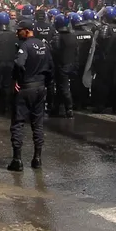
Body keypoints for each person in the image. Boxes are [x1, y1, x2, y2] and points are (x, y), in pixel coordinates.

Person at [8, 18, 53, 172]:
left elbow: (19, 63)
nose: (16, 32)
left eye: (19, 29)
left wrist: (18, 79)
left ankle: (17, 160)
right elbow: (50, 67)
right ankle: (37, 158)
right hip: (40, 87)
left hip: (25, 87)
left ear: (26, 30)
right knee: (38, 123)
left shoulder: (25, 46)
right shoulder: (44, 45)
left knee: (18, 123)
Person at [49, 14, 79, 118]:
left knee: (64, 88)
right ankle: (57, 108)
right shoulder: (73, 35)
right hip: (72, 64)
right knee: (62, 87)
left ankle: (69, 109)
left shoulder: (58, 37)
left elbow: (54, 52)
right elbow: (76, 51)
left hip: (62, 66)